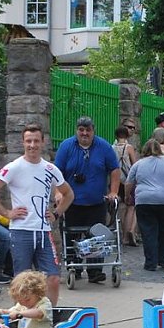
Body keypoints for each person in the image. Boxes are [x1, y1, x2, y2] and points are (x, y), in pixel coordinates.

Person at [0, 123, 74, 306]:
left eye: (36, 141)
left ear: (43, 142)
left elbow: (69, 194)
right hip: (21, 230)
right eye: (28, 141)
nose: (32, 145)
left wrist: (56, 212)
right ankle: (21, 318)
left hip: (43, 232)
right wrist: (6, 213)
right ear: (23, 143)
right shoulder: (14, 167)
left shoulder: (50, 168)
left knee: (52, 278)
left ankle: (49, 317)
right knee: (22, 282)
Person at [55, 116, 120, 284]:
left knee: (96, 237)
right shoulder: (66, 146)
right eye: (81, 130)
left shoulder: (104, 146)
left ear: (93, 131)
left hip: (96, 201)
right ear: (77, 131)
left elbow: (114, 169)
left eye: (88, 130)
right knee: (71, 236)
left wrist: (113, 191)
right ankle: (73, 267)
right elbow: (57, 172)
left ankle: (94, 271)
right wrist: (58, 193)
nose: (84, 133)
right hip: (72, 202)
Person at [125, 139, 164, 271]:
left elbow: (129, 182)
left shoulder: (138, 164)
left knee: (148, 231)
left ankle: (150, 262)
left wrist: (127, 196)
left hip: (145, 201)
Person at [113, 124, 139, 247]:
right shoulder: (129, 147)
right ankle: (126, 235)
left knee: (121, 208)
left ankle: (121, 235)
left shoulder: (112, 147)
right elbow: (135, 164)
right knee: (131, 207)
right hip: (128, 180)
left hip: (117, 180)